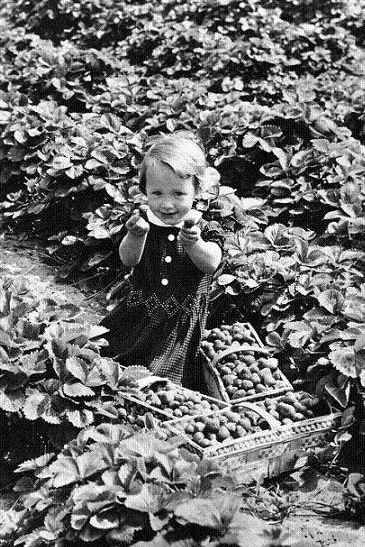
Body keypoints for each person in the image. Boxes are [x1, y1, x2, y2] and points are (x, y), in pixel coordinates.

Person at [100, 131, 225, 390]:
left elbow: (211, 263)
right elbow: (128, 259)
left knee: (161, 376)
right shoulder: (143, 221)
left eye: (178, 194)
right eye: (156, 193)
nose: (167, 204)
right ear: (144, 190)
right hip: (139, 311)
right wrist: (135, 236)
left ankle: (149, 388)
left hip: (177, 323)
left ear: (197, 190)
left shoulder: (203, 227)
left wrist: (194, 244)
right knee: (115, 354)